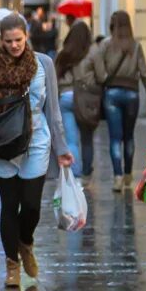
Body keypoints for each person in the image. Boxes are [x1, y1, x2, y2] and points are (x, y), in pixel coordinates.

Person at [0, 13, 73, 288]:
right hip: (2, 143)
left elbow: (53, 109)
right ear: (0, 40)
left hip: (37, 140)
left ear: (27, 37)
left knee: (31, 206)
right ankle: (12, 265)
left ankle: (25, 242)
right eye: (8, 41)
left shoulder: (44, 64)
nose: (14, 45)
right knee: (9, 205)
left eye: (18, 40)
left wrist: (62, 147)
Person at [94, 11, 146, 189]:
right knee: (129, 137)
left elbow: (99, 71)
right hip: (132, 94)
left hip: (112, 93)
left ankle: (117, 177)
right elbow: (144, 72)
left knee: (114, 138)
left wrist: (106, 79)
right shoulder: (135, 46)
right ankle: (128, 174)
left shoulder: (105, 45)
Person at [54, 20, 98, 178]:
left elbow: (54, 78)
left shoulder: (63, 53)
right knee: (87, 138)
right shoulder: (93, 52)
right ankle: (86, 170)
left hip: (65, 97)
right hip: (86, 100)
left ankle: (76, 173)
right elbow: (101, 76)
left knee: (71, 140)